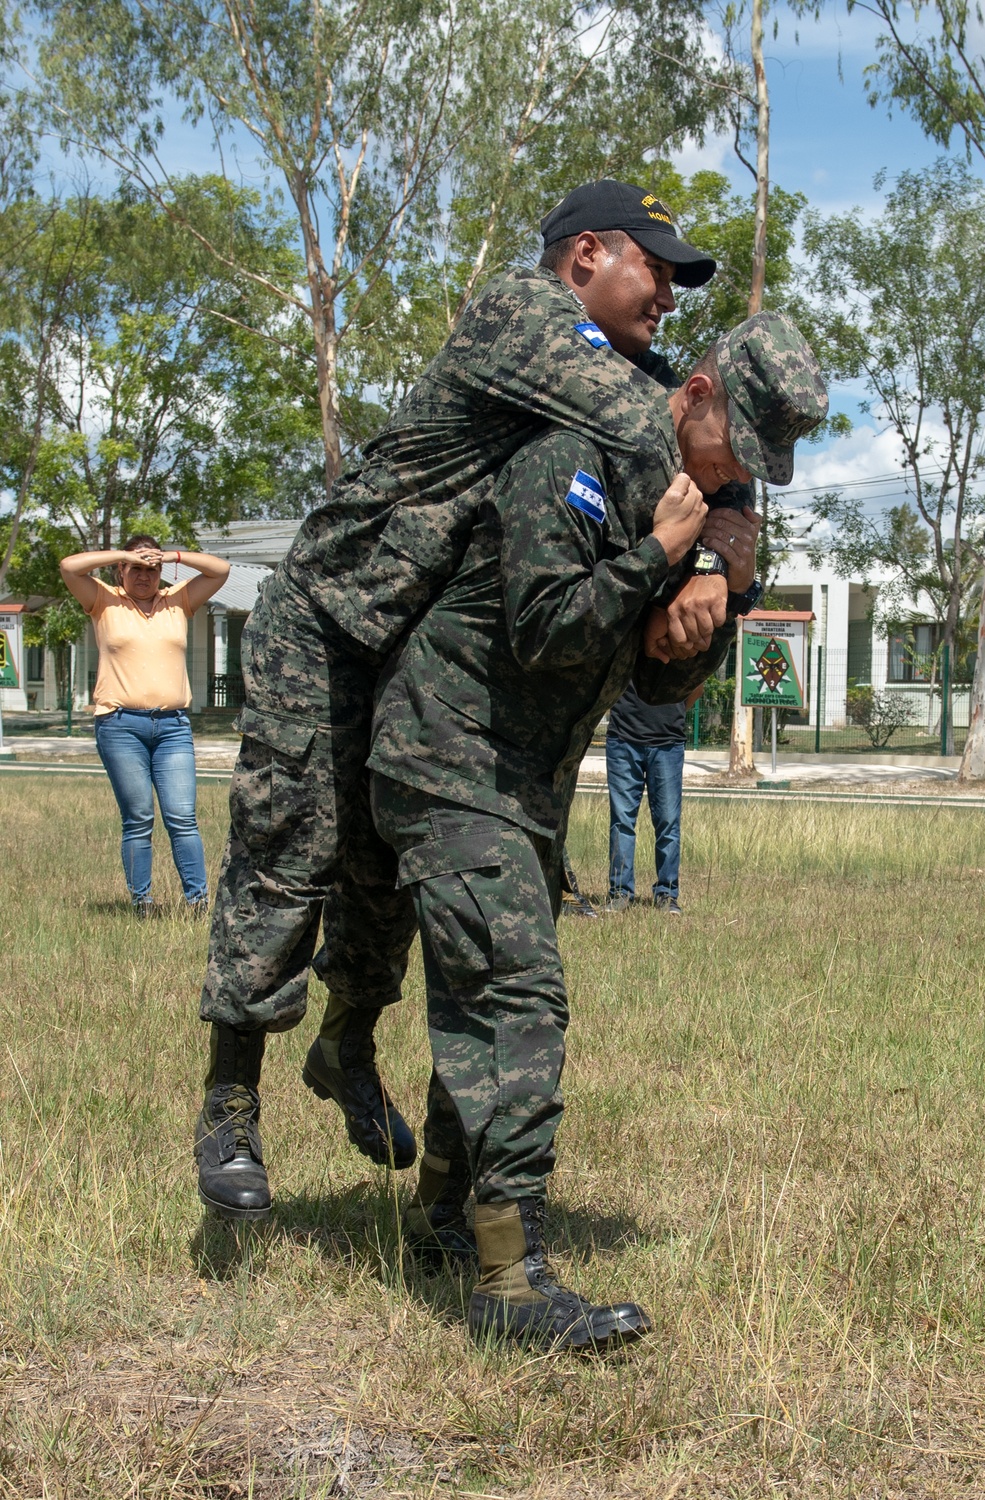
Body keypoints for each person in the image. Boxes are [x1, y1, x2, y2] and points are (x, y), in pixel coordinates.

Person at [193, 179, 749, 1226]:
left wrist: (717, 554)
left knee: (387, 873)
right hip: (326, 616)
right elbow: (674, 434)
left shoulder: (625, 372)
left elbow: (717, 449)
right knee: (287, 852)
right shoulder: (518, 312)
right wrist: (718, 486)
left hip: (409, 644)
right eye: (655, 267)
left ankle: (347, 1042)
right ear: (585, 253)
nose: (669, 296)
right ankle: (230, 1103)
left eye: (678, 280)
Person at [367, 309, 826, 1350]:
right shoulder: (575, 456)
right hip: (447, 749)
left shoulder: (701, 503)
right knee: (517, 993)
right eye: (735, 447)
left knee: (482, 992)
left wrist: (722, 594)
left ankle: (445, 1215)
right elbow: (541, 632)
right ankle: (508, 1279)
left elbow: (659, 681)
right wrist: (657, 553)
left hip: (520, 778)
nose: (737, 476)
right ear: (696, 393)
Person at [59, 538, 231, 914]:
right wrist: (125, 554)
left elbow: (221, 570)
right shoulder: (104, 600)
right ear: (121, 571)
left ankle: (198, 902)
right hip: (120, 726)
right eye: (136, 567)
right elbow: (70, 567)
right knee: (139, 817)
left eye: (151, 568)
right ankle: (143, 901)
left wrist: (172, 557)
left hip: (172, 727)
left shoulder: (177, 601)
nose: (144, 575)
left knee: (182, 816)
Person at [605, 685, 700, 914]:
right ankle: (620, 892)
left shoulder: (682, 649)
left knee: (668, 823)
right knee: (622, 821)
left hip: (668, 742)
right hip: (622, 739)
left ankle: (667, 894)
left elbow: (697, 687)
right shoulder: (624, 647)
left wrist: (672, 712)